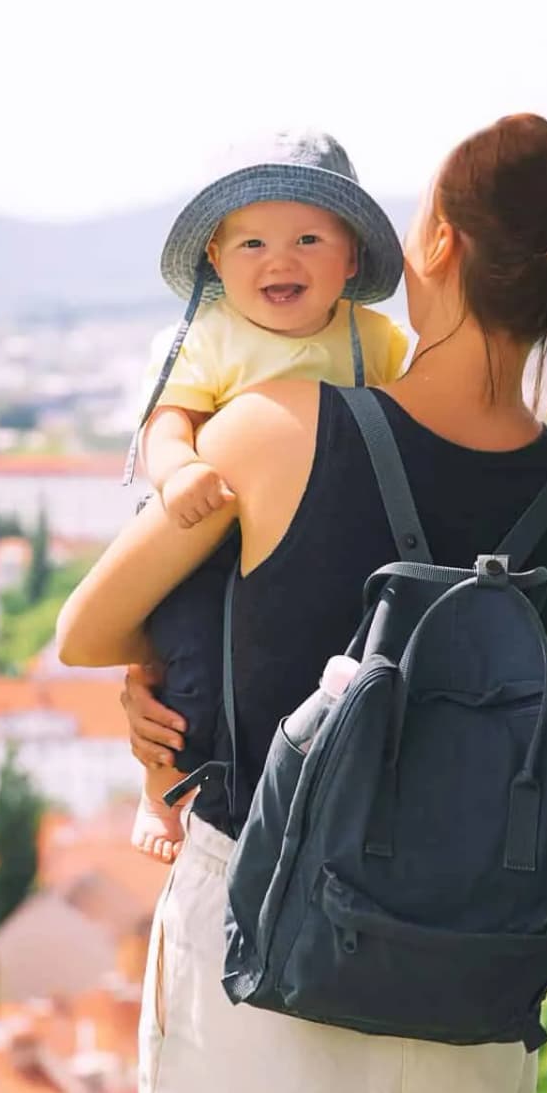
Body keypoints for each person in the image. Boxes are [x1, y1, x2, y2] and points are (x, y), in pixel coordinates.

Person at [57, 113, 547, 1093]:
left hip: (264, 943)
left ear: (437, 244)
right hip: (468, 982)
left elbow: (84, 630)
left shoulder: (276, 425)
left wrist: (165, 675)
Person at [127, 131, 409, 863]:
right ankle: (164, 783)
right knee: (184, 659)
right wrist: (180, 470)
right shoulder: (206, 337)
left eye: (309, 239)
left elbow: (413, 413)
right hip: (209, 532)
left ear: (350, 259)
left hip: (320, 538)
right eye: (251, 244)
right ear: (216, 261)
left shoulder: (372, 340)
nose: (280, 261)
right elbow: (167, 422)